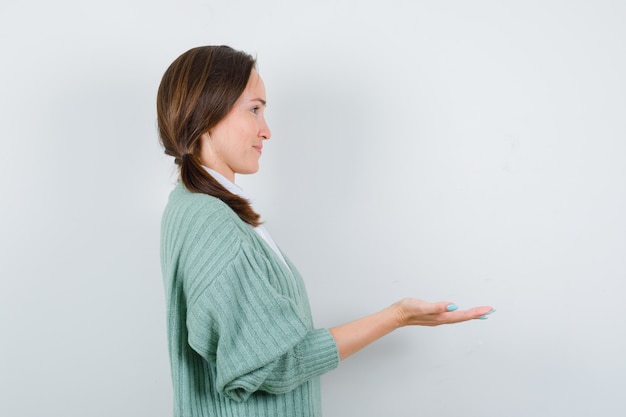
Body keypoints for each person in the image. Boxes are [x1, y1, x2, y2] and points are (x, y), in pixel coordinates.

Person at [157, 45, 494, 417]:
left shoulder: (190, 206)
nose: (266, 131)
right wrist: (397, 316)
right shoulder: (212, 222)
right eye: (254, 109)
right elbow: (277, 365)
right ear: (208, 112)